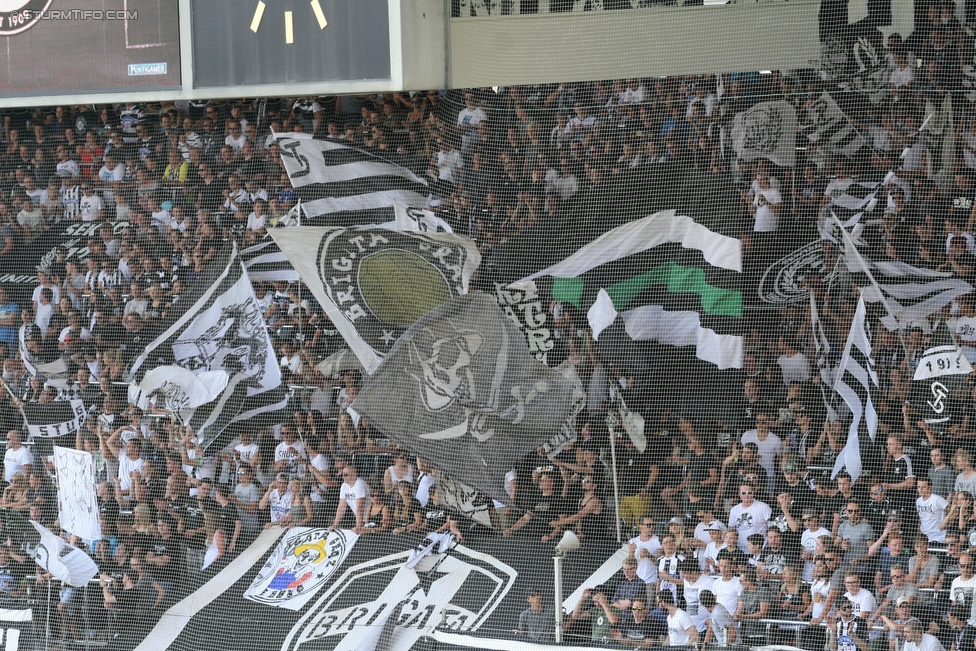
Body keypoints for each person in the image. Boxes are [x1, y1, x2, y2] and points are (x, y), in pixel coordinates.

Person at [328, 464, 370, 534]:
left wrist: (358, 527)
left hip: (370, 519)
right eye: (342, 474)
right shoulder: (344, 485)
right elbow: (341, 507)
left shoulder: (360, 484)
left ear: (354, 475)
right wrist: (335, 525)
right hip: (361, 519)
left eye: (346, 475)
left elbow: (360, 507)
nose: (343, 477)